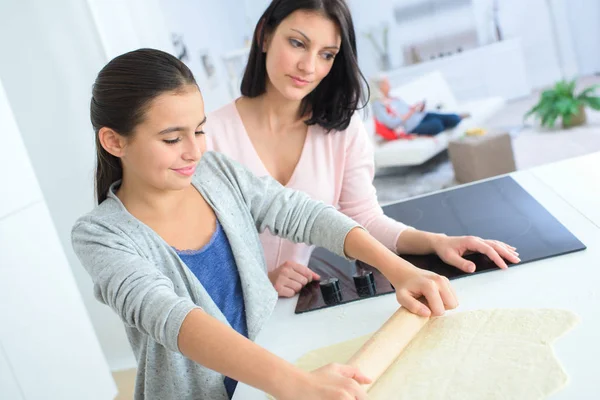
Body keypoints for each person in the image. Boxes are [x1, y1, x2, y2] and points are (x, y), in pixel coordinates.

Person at [72, 48, 459, 400]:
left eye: (200, 130)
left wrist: (399, 269)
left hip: (271, 371)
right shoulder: (102, 236)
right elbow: (171, 316)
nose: (195, 151)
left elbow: (300, 213)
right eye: (173, 139)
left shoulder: (215, 173)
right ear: (114, 141)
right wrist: (296, 385)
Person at [206, 0, 519, 297]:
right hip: (231, 310)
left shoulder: (340, 129)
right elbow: (193, 251)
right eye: (297, 43)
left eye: (327, 54)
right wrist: (260, 282)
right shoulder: (208, 136)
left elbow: (364, 220)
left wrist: (436, 241)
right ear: (264, 36)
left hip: (301, 300)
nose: (308, 66)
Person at [372, 76, 471, 138]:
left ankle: (454, 118)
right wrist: (410, 112)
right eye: (387, 84)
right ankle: (443, 124)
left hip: (422, 115)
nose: (390, 85)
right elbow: (391, 123)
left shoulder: (393, 98)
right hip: (412, 127)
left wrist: (417, 108)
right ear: (380, 87)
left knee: (454, 118)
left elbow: (408, 109)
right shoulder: (377, 105)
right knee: (438, 125)